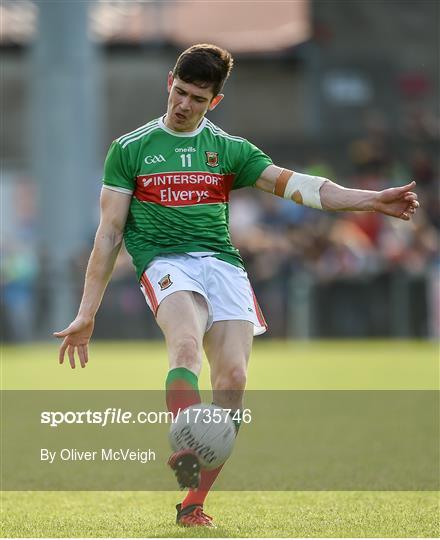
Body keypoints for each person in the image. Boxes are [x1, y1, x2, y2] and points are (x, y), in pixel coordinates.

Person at [54, 44, 419, 527]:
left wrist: (371, 200)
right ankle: (185, 448)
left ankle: (193, 504)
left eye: (197, 98)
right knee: (184, 347)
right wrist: (87, 312)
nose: (184, 105)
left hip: (223, 266)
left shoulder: (229, 150)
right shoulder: (131, 148)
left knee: (234, 382)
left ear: (214, 103)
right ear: (169, 82)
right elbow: (109, 234)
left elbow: (303, 187)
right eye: (179, 92)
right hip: (165, 263)